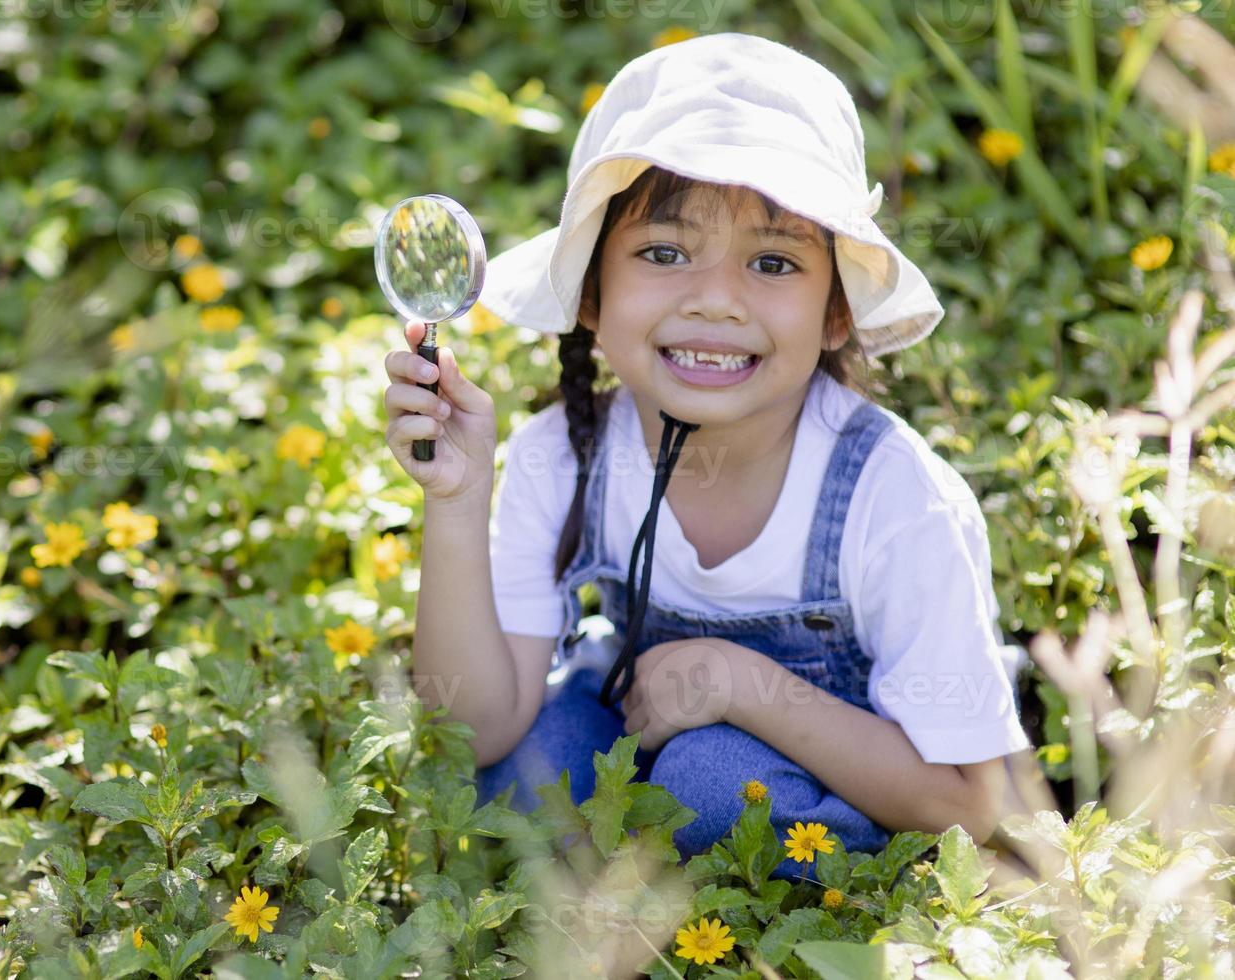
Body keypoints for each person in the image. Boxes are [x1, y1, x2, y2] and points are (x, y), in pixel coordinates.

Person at [380, 32, 1031, 881]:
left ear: (836, 313)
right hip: (634, 723)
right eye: (662, 252)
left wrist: (741, 683)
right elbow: (474, 733)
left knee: (713, 786)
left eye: (772, 262)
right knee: (539, 768)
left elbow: (974, 803)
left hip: (833, 769)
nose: (716, 300)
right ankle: (616, 897)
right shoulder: (562, 456)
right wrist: (456, 502)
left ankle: (677, 874)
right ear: (590, 294)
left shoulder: (894, 497)